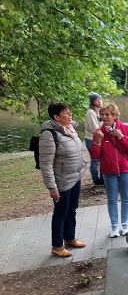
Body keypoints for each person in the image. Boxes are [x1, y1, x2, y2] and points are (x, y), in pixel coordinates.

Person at [39, 103, 86, 257]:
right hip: (62, 180)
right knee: (60, 212)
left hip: (75, 177)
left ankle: (70, 238)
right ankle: (57, 246)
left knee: (72, 209)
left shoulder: (70, 130)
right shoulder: (49, 134)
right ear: (56, 117)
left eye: (69, 111)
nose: (70, 114)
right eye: (66, 112)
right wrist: (52, 187)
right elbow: (46, 164)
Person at [91, 103, 128, 238]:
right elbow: (94, 156)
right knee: (111, 199)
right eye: (102, 115)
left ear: (115, 115)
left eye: (107, 114)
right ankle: (114, 225)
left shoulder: (126, 129)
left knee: (126, 198)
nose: (104, 117)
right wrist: (98, 142)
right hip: (108, 170)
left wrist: (121, 136)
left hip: (125, 169)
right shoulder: (99, 133)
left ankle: (124, 224)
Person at [84, 92, 103, 186]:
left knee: (101, 158)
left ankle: (103, 178)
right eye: (97, 100)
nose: (100, 102)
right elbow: (95, 129)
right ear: (93, 102)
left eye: (100, 99)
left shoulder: (98, 112)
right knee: (95, 160)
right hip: (92, 139)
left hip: (99, 138)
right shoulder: (91, 113)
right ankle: (96, 179)